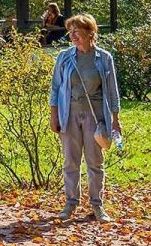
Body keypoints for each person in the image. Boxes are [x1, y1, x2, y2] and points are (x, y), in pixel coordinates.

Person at [48, 13, 122, 221]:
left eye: (77, 31)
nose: (72, 36)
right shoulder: (64, 57)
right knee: (70, 162)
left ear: (90, 33)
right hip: (68, 113)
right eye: (70, 32)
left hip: (95, 115)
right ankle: (70, 203)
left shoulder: (104, 58)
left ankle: (97, 206)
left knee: (94, 162)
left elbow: (112, 91)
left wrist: (115, 120)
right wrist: (54, 116)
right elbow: (55, 88)